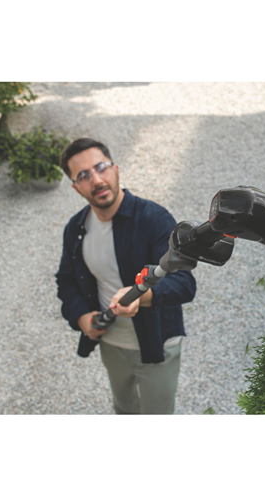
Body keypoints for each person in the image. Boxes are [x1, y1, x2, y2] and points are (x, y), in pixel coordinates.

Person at [55, 138, 196, 414]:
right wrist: (82, 318)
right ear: (75, 187)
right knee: (124, 410)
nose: (97, 180)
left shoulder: (154, 218)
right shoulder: (76, 228)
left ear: (116, 169)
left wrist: (142, 297)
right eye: (84, 175)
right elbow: (66, 280)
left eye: (101, 168)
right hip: (110, 342)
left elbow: (184, 283)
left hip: (158, 344)